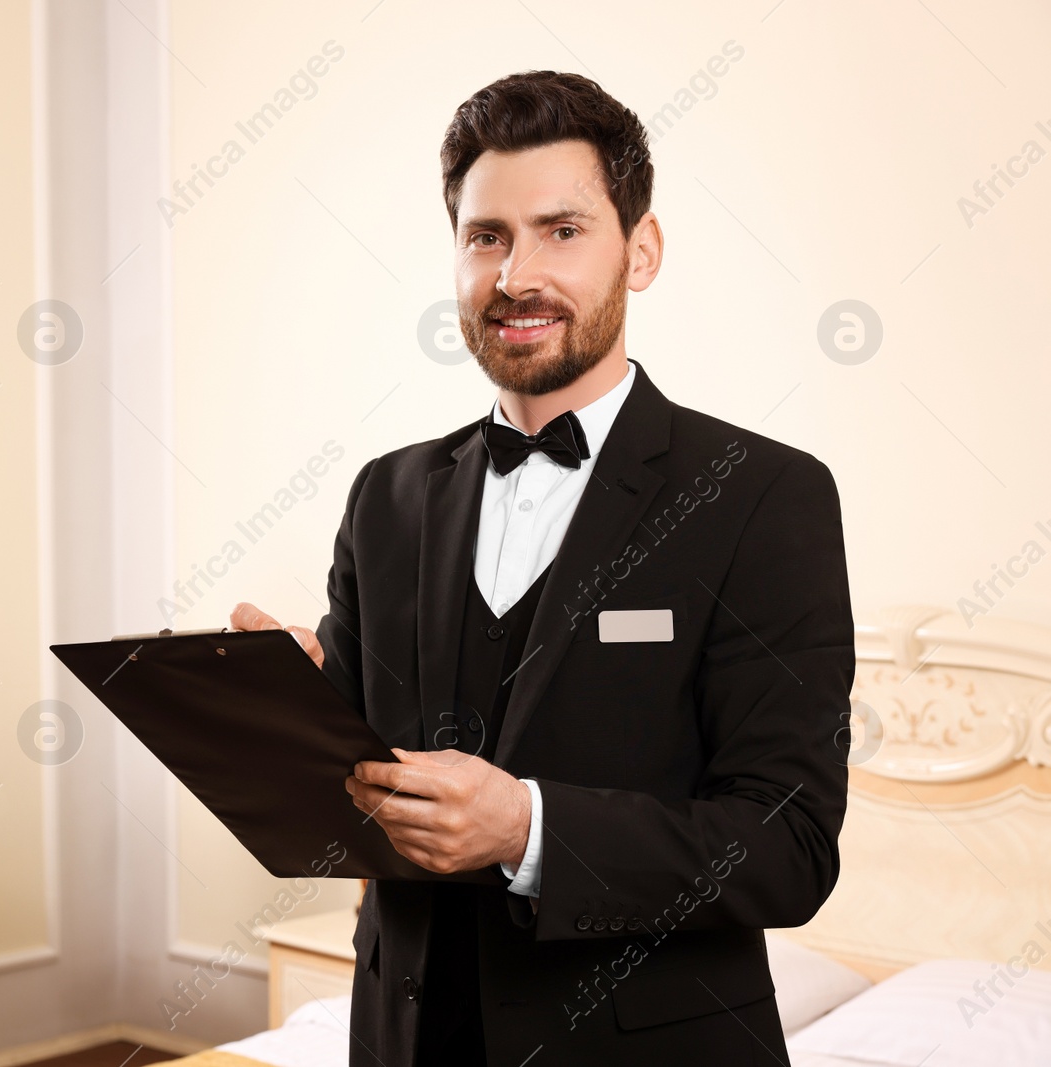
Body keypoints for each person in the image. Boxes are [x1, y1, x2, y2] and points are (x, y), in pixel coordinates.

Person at [233, 71, 854, 1065]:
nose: (515, 273)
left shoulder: (761, 497)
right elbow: (353, 783)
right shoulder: (385, 497)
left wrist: (528, 827)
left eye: (561, 230)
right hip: (403, 1035)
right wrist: (279, 705)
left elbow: (787, 849)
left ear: (638, 251)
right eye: (486, 236)